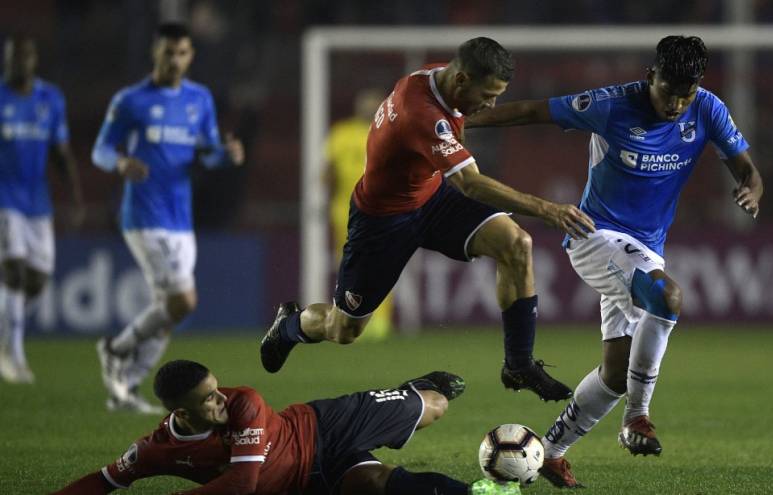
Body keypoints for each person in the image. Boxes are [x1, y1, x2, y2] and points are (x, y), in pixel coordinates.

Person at [465, 35, 764, 487]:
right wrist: (458, 122)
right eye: (669, 92)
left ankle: (550, 452)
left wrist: (751, 187)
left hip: (644, 249)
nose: (677, 104)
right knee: (667, 296)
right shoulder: (610, 103)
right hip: (594, 235)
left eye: (686, 95)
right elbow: (533, 112)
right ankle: (637, 419)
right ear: (650, 77)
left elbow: (746, 167)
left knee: (615, 374)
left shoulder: (707, 108)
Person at [261, 37, 595, 402]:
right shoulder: (421, 113)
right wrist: (547, 209)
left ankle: (519, 364)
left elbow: (461, 124)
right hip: (382, 221)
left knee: (516, 243)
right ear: (463, 80)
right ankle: (291, 325)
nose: (491, 103)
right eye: (488, 94)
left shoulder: (440, 75)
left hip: (432, 198)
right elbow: (470, 183)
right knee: (344, 329)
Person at [53, 359, 521, 495]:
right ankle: (485, 493)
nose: (222, 399)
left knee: (437, 404)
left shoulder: (246, 403)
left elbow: (241, 483)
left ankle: (412, 388)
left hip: (325, 426)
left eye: (217, 389)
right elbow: (105, 479)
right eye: (208, 400)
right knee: (375, 485)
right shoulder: (157, 448)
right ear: (181, 413)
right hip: (311, 478)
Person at [91, 23, 244, 413]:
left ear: (190, 56)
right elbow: (100, 151)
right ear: (154, 54)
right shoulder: (130, 101)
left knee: (170, 310)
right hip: (142, 213)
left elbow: (207, 152)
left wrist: (226, 154)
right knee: (183, 300)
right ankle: (115, 347)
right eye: (167, 53)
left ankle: (125, 387)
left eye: (181, 53)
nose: (174, 61)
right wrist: (121, 160)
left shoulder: (199, 99)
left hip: (179, 216)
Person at [0, 34, 84, 384]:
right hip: (5, 199)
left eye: (26, 56)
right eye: (13, 56)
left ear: (35, 60)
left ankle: (7, 334)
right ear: (6, 59)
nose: (19, 62)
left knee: (37, 278)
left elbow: (60, 153)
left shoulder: (51, 99)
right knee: (14, 271)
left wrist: (76, 198)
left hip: (38, 201)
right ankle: (13, 354)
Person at [325, 88, 393, 340]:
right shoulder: (341, 133)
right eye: (365, 102)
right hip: (344, 210)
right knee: (349, 265)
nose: (368, 107)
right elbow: (329, 171)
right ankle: (349, 316)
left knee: (383, 262)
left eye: (373, 103)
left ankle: (379, 321)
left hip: (381, 209)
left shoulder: (389, 130)